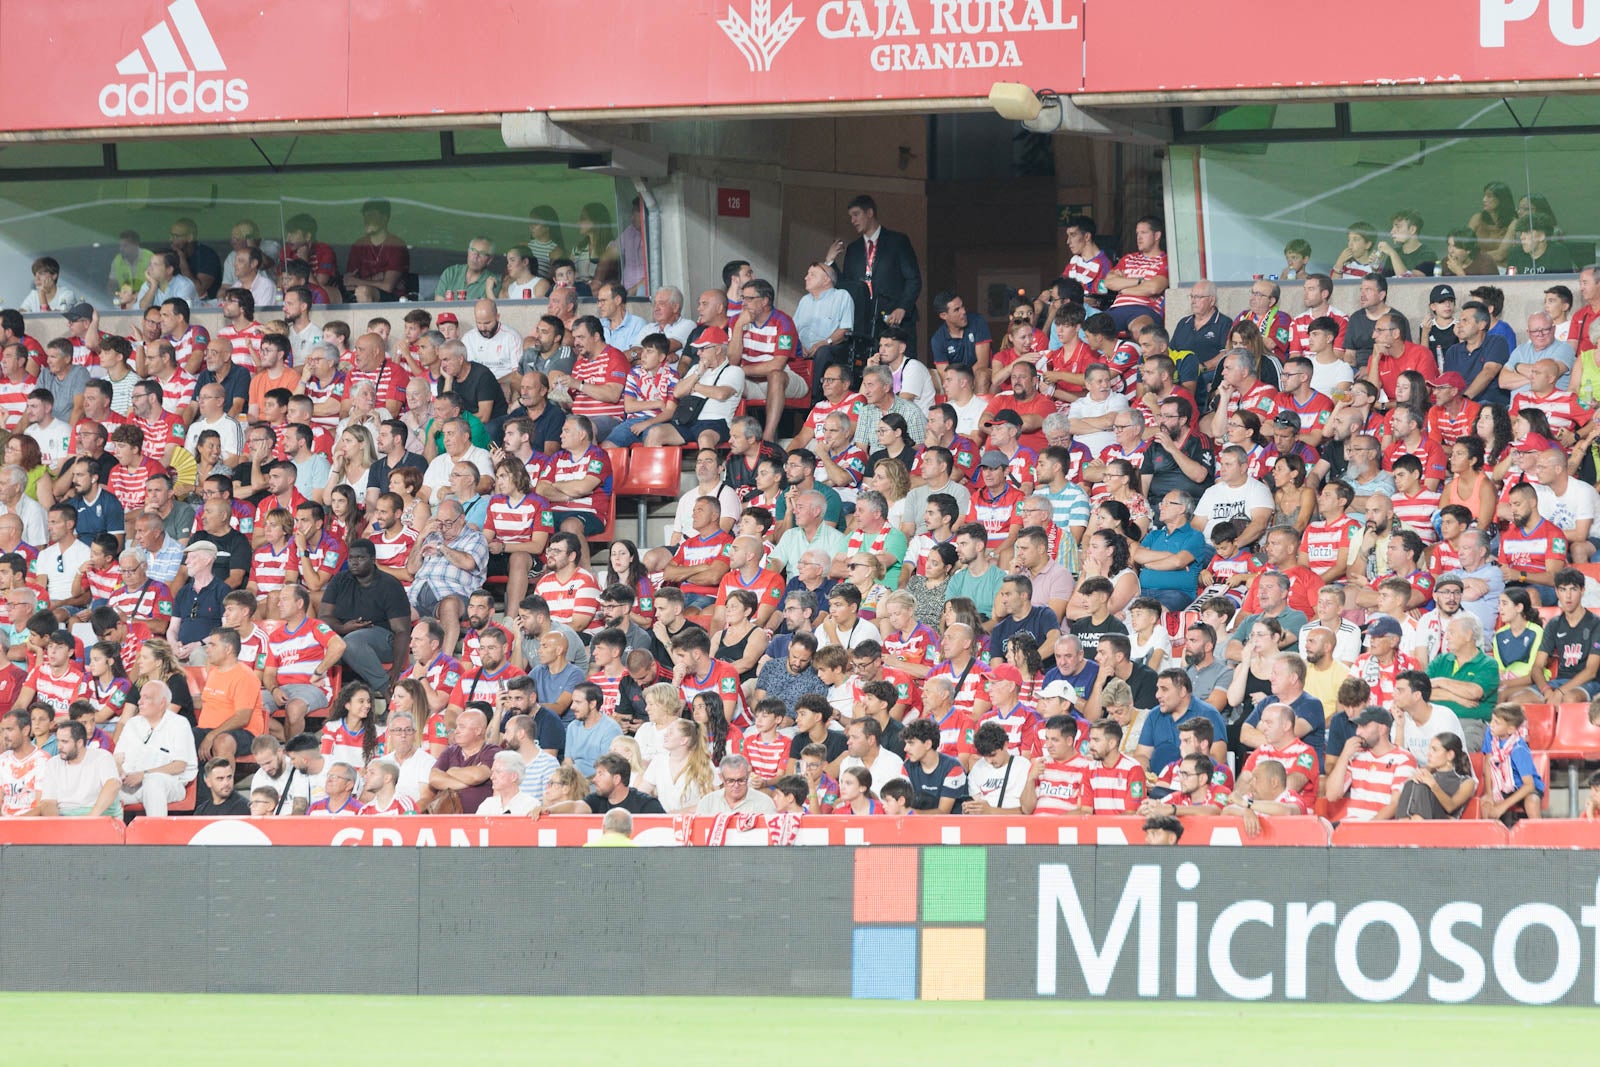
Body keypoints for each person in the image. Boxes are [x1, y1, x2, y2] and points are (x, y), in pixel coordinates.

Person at [825, 194, 922, 345]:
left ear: (870, 213)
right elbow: (847, 286)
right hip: (865, 324)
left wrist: (902, 307)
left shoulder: (897, 241)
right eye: (850, 217)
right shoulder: (853, 249)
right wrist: (830, 261)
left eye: (856, 215)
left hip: (895, 320)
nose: (853, 221)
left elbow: (913, 279)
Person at [112, 680, 197, 816]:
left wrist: (144, 774)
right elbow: (117, 758)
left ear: (162, 703)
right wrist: (121, 772)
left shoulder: (179, 724)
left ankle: (156, 833)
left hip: (169, 784)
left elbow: (179, 765)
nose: (139, 702)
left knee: (153, 782)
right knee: (103, 789)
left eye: (146, 698)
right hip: (131, 785)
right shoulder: (132, 724)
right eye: (140, 697)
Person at [1323, 707, 1416, 821]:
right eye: (1358, 726)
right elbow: (1332, 795)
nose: (1358, 732)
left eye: (1364, 726)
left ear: (1382, 729)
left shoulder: (1403, 759)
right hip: (1351, 824)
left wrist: (1368, 827)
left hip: (1380, 827)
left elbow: (1395, 804)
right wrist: (1344, 756)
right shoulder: (1356, 756)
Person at [36, 719, 120, 817]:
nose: (59, 747)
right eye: (58, 741)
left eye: (64, 742)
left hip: (99, 817)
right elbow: (48, 802)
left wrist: (90, 818)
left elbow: (113, 784)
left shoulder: (102, 757)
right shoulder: (53, 763)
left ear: (79, 743)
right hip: (65, 820)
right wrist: (56, 824)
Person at [1481, 704, 1545, 824]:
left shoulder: (1518, 748)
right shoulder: (1491, 734)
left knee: (1532, 802)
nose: (1491, 725)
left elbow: (1529, 785)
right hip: (1502, 785)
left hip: (1525, 787)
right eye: (1492, 720)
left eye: (1497, 722)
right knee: (1486, 804)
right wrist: (1489, 794)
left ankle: (1539, 835)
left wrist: (1503, 806)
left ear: (1510, 729)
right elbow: (1488, 764)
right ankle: (1493, 840)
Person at [1392, 733, 1476, 820]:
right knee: (1411, 783)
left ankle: (1416, 824)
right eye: (1429, 750)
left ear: (1449, 755)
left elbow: (1451, 807)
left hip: (1445, 825)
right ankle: (1405, 825)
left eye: (1434, 750)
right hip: (1420, 821)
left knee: (1422, 786)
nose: (1429, 754)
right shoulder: (1429, 777)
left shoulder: (1466, 782)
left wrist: (1433, 785)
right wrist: (1412, 780)